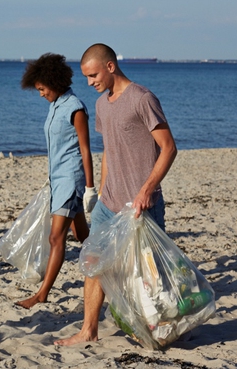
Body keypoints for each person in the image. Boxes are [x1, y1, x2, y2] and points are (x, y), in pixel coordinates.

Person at [55, 43, 177, 346]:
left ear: (110, 67)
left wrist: (146, 190)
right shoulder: (101, 105)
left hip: (141, 207)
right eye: (85, 77)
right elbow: (109, 150)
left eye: (93, 75)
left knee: (146, 275)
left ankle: (158, 328)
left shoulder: (142, 99)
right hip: (108, 204)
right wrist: (97, 195)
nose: (89, 82)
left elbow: (169, 147)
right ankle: (88, 330)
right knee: (93, 263)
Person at [16, 53, 95, 309]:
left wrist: (91, 188)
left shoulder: (75, 108)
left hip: (71, 180)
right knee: (84, 236)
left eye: (42, 88)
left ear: (55, 81)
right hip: (57, 180)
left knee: (55, 237)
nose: (40, 94)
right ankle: (111, 266)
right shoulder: (55, 106)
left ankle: (42, 294)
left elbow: (85, 149)